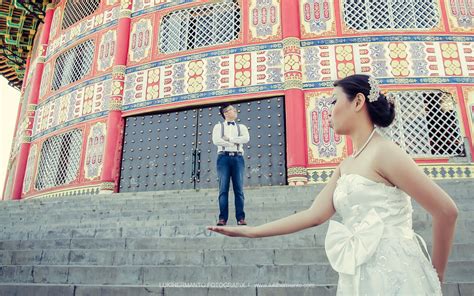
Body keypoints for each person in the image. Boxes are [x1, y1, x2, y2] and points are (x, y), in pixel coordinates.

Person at [207, 74, 458, 295]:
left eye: (334, 101)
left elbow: (446, 211)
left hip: (399, 271)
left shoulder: (386, 152)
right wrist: (252, 231)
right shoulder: (346, 165)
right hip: (358, 272)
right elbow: (314, 215)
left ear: (358, 102)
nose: (328, 110)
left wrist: (435, 278)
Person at [212, 103, 250, 226]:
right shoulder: (218, 127)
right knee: (223, 189)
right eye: (232, 110)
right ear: (226, 113)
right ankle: (222, 218)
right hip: (223, 158)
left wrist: (229, 140)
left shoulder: (242, 127)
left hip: (238, 158)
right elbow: (216, 141)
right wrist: (232, 143)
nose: (235, 111)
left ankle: (240, 218)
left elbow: (246, 139)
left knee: (238, 189)